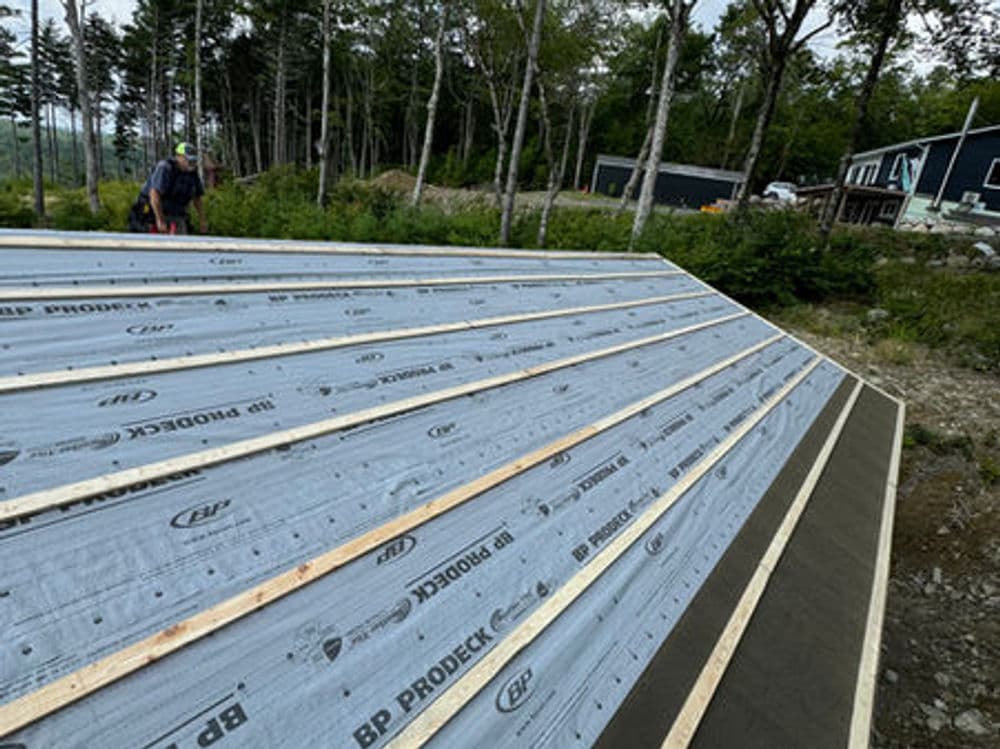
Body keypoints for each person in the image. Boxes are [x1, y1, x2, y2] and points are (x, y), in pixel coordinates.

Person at [129, 142, 208, 234]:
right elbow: (154, 194)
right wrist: (160, 220)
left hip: (176, 212)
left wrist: (202, 220)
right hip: (152, 212)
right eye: (188, 160)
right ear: (179, 157)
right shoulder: (165, 168)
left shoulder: (192, 173)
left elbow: (197, 197)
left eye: (193, 160)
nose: (191, 163)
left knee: (180, 239)